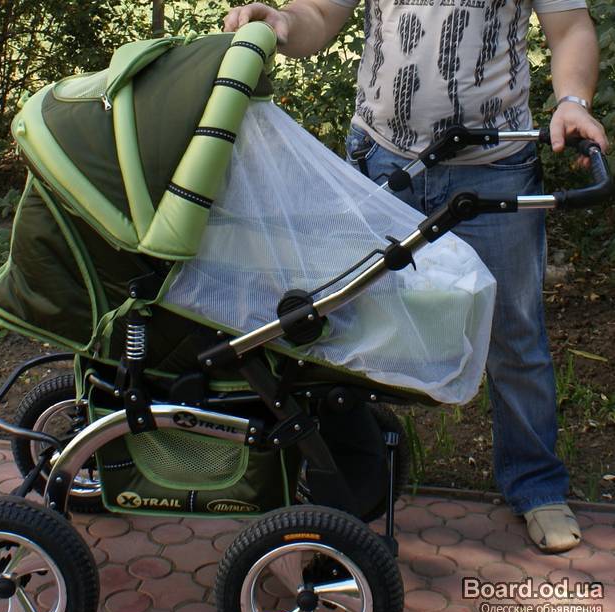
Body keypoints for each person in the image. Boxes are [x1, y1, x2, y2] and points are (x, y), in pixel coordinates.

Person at [224, 0, 609, 553]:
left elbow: (570, 28)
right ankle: (343, 479)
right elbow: (320, 14)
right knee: (340, 326)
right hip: (383, 161)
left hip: (496, 169)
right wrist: (283, 23)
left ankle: (536, 486)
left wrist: (572, 101)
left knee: (515, 336)